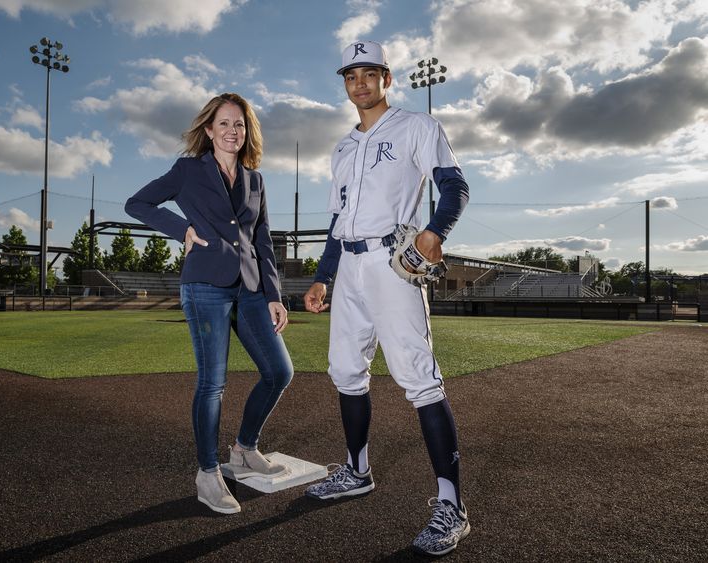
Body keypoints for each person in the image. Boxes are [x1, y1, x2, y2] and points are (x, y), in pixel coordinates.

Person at [302, 41, 471, 556]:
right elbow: (337, 222)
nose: (359, 83)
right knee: (345, 371)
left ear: (386, 78)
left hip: (392, 261)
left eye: (369, 73)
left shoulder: (417, 127)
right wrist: (322, 276)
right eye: (351, 75)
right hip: (348, 266)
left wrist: (435, 233)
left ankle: (452, 505)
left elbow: (454, 186)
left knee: (419, 379)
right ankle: (356, 470)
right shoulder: (342, 147)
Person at [125, 93, 294, 515]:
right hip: (205, 286)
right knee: (212, 383)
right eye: (224, 124)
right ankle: (207, 473)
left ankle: (243, 448)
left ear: (246, 131)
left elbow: (261, 239)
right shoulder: (188, 170)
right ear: (208, 129)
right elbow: (137, 203)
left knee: (279, 371)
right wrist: (181, 228)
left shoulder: (256, 179)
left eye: (239, 124)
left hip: (251, 288)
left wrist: (273, 294)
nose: (232, 131)